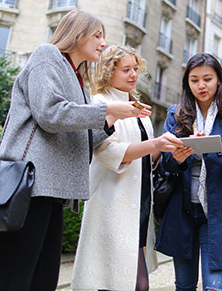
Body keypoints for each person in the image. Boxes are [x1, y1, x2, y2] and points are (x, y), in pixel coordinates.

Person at [0, 10, 151, 291]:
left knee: (43, 281)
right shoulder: (47, 55)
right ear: (77, 34)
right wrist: (108, 109)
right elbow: (50, 114)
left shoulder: (78, 79)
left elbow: (82, 140)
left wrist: (113, 118)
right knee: (13, 280)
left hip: (52, 191)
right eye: (97, 35)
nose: (103, 43)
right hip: (29, 186)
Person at [72, 45, 184, 291]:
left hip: (140, 202)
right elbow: (107, 152)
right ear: (108, 72)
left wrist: (170, 146)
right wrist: (155, 143)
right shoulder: (100, 103)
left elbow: (146, 157)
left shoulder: (138, 109)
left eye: (135, 68)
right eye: (126, 70)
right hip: (111, 202)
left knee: (133, 283)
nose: (133, 74)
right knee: (119, 282)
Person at [155, 53, 222, 291]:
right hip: (182, 211)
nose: (201, 85)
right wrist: (177, 159)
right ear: (187, 83)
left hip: (218, 212)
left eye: (207, 79)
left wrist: (215, 148)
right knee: (184, 286)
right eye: (194, 80)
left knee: (215, 288)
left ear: (219, 81)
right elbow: (165, 165)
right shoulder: (175, 113)